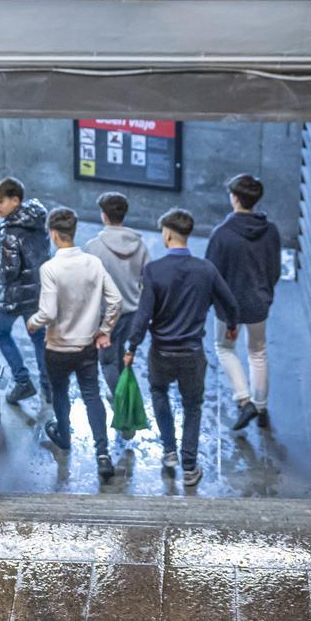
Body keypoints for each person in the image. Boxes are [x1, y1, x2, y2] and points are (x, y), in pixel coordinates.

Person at [124, 208, 238, 487]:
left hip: (161, 352)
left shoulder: (154, 271)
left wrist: (132, 346)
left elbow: (143, 315)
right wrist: (232, 324)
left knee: (159, 394)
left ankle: (169, 451)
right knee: (193, 406)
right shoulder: (206, 270)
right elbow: (230, 303)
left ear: (167, 233)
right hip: (192, 354)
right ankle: (189, 467)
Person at [28, 207, 123, 480]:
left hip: (57, 347)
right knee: (92, 396)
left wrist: (33, 322)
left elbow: (47, 313)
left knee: (60, 394)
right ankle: (103, 453)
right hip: (86, 347)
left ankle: (65, 436)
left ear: (54, 235)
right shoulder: (93, 263)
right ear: (73, 231)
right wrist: (104, 330)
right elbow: (115, 301)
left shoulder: (50, 268)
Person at [205, 174, 283, 431]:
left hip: (230, 306)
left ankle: (243, 399)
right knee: (258, 352)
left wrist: (224, 310)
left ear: (235, 199)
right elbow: (274, 269)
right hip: (259, 302)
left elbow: (213, 275)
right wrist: (266, 294)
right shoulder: (270, 230)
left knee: (225, 349)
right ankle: (261, 406)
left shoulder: (222, 234)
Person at [0, 176, 51, 404]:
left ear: (15, 200)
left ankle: (23, 382)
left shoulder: (10, 231)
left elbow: (7, 273)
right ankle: (48, 386)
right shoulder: (38, 220)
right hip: (37, 292)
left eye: (0, 201)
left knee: (1, 335)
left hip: (13, 298)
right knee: (39, 337)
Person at [84, 192, 150, 394]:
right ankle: (128, 399)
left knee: (107, 362)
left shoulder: (93, 247)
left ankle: (122, 404)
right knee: (119, 355)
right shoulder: (140, 246)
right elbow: (147, 281)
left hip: (107, 317)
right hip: (131, 313)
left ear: (104, 215)